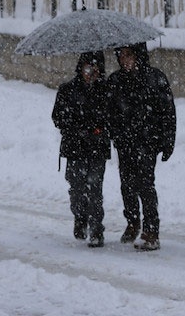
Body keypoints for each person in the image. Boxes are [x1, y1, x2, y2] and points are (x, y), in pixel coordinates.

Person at [106, 43, 176, 251]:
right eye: (122, 56)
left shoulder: (155, 78)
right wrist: (116, 133)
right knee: (127, 185)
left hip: (147, 142)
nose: (125, 60)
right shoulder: (116, 81)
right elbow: (110, 112)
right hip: (125, 142)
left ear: (138, 56)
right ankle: (132, 221)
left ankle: (151, 230)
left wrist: (167, 140)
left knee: (145, 185)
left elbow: (167, 112)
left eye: (129, 55)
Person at [52, 51, 113, 248]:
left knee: (95, 189)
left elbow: (111, 118)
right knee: (77, 187)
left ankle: (96, 229)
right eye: (87, 68)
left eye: (95, 69)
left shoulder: (105, 91)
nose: (90, 73)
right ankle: (80, 217)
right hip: (75, 148)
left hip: (96, 148)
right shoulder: (67, 90)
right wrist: (76, 128)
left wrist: (98, 129)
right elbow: (58, 117)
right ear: (81, 68)